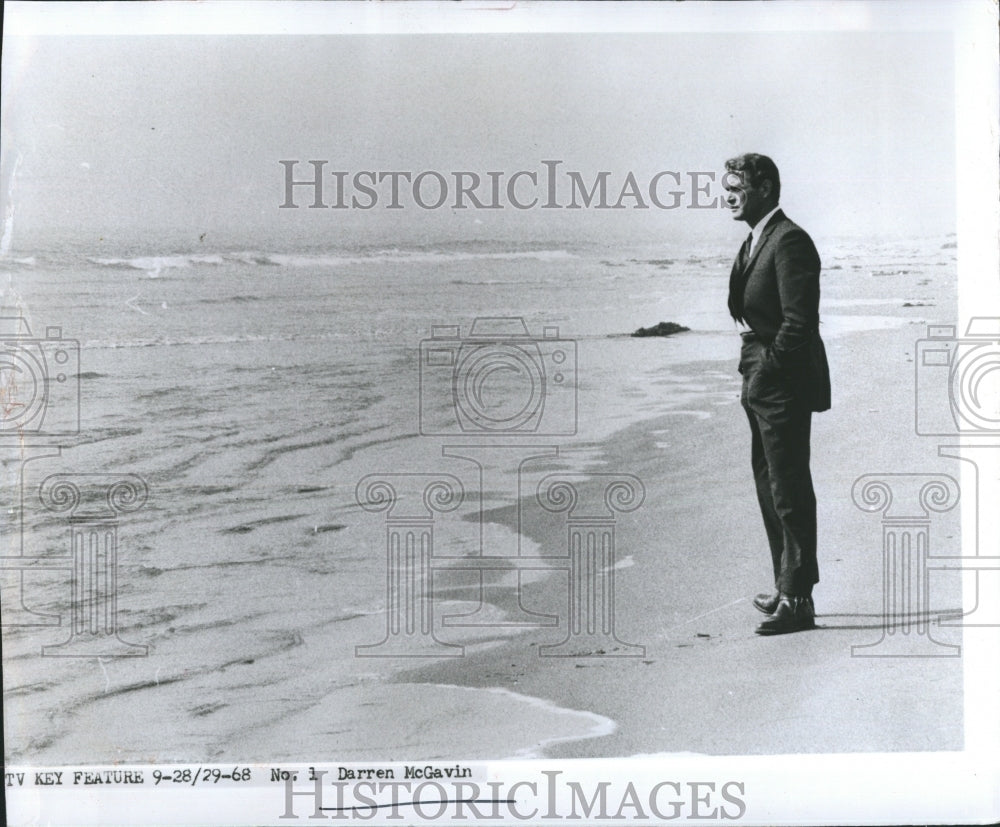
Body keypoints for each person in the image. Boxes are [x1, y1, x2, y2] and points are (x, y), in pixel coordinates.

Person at [722, 153, 830, 635]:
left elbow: (800, 323)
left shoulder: (789, 241)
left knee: (787, 488)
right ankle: (786, 585)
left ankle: (799, 599)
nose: (727, 195)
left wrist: (767, 370)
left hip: (780, 380)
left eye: (736, 186)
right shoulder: (757, 239)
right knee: (769, 485)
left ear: (764, 188)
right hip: (761, 376)